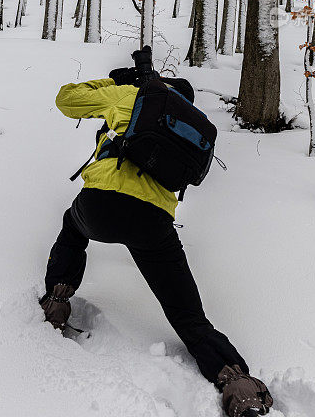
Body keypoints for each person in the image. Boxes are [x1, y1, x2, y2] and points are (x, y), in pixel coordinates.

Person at [40, 56, 273, 417]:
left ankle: (57, 301)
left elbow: (66, 99)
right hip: (153, 221)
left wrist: (112, 85)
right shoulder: (183, 120)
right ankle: (237, 384)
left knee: (73, 226)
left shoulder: (128, 95)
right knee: (189, 316)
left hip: (100, 206)